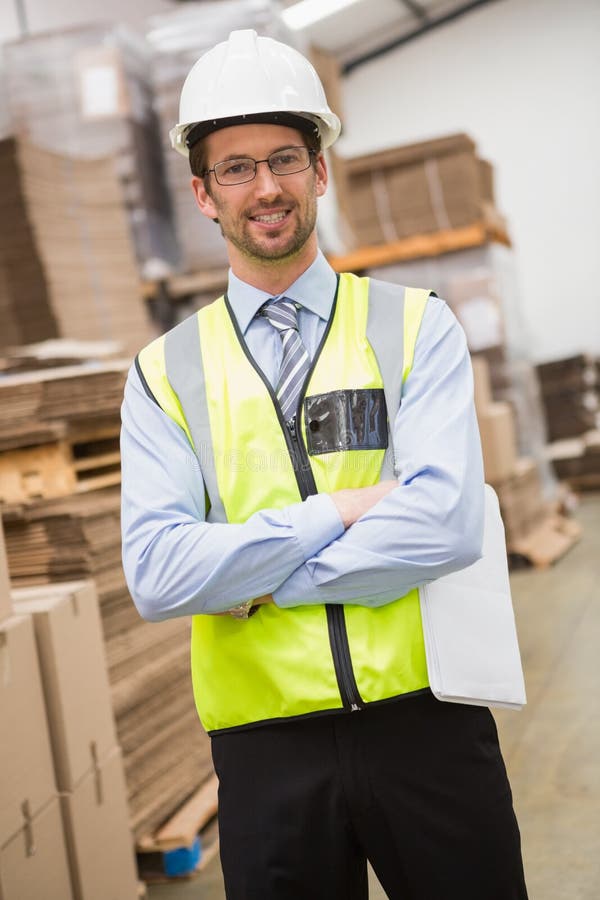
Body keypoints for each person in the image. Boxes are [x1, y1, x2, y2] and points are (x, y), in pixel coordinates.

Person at [121, 29, 528, 900]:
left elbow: (446, 524)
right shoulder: (164, 375)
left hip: (429, 727)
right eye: (235, 168)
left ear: (321, 170)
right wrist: (334, 514)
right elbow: (158, 575)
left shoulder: (416, 326)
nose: (265, 187)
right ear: (201, 192)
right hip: (267, 758)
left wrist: (253, 578)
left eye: (285, 159)